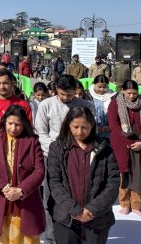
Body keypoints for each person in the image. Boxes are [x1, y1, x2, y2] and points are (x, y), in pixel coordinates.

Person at [34, 75, 96, 243]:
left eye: (69, 95)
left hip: (80, 158)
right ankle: (50, 237)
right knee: (51, 197)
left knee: (80, 197)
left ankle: (79, 234)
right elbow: (41, 133)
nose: (66, 98)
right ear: (55, 90)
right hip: (52, 157)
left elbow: (91, 132)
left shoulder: (86, 106)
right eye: (62, 94)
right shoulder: (46, 105)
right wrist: (57, 151)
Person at [47, 106, 120, 244]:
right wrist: (75, 210)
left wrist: (92, 209)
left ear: (92, 125)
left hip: (97, 218)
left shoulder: (104, 149)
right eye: (75, 127)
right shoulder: (57, 148)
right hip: (65, 217)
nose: (80, 131)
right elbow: (54, 182)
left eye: (84, 127)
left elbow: (113, 184)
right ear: (68, 124)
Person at [0, 105, 45, 243]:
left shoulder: (32, 141)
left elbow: (39, 171)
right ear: (4, 121)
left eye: (18, 125)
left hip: (26, 202)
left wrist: (21, 190)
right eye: (10, 123)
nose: (13, 128)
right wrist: (4, 187)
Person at [107, 80, 141, 220]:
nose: (132, 96)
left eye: (134, 93)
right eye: (129, 93)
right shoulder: (115, 103)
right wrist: (129, 141)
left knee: (139, 174)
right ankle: (125, 204)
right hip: (122, 143)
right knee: (124, 173)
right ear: (122, 90)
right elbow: (114, 125)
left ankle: (136, 205)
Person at [0, 69, 33, 138]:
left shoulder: (23, 105)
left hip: (17, 146)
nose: (2, 87)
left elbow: (28, 130)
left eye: (5, 83)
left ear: (13, 83)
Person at [88, 75, 115, 142]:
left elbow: (115, 113)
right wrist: (96, 127)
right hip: (93, 130)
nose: (102, 89)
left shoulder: (112, 96)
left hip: (109, 129)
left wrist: (110, 126)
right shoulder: (88, 95)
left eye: (105, 87)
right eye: (99, 87)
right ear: (94, 84)